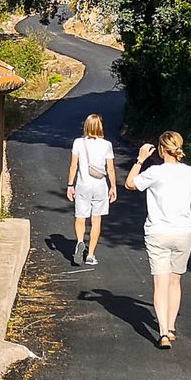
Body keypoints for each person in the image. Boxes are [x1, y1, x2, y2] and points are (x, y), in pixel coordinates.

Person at [125, 131, 191, 347]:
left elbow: (130, 184)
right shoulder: (190, 173)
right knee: (175, 280)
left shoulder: (154, 172)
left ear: (161, 149)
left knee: (160, 283)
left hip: (158, 233)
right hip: (183, 233)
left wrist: (140, 159)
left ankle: (162, 333)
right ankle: (171, 327)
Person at [65, 113, 116, 266]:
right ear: (100, 127)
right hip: (100, 185)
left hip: (82, 185)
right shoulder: (106, 145)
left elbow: (73, 165)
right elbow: (111, 169)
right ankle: (91, 255)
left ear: (86, 126)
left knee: (80, 217)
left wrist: (70, 185)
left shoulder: (78, 143)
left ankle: (80, 241)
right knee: (96, 220)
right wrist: (113, 186)